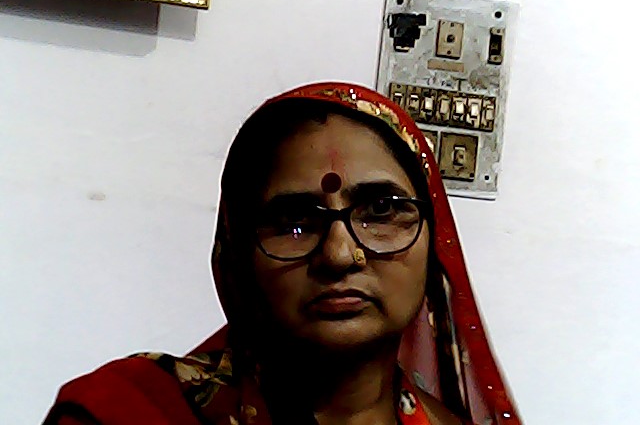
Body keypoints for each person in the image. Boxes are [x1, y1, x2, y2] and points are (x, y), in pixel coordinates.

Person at [44, 83, 520, 425]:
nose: (340, 254)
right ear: (236, 253)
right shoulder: (132, 411)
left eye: (381, 210)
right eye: (295, 220)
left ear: (434, 240)